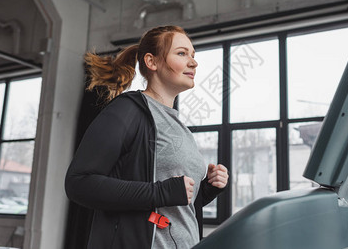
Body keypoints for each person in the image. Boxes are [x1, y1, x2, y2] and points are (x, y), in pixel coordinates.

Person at [65, 25, 229, 249]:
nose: (193, 62)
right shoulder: (127, 110)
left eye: (193, 55)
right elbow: (79, 183)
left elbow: (173, 207)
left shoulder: (179, 127)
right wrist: (160, 192)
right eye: (182, 53)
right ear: (152, 62)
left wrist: (207, 190)